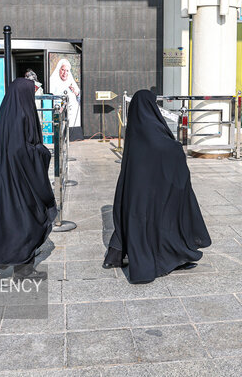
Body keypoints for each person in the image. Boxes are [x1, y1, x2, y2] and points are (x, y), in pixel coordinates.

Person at [102, 89, 211, 284]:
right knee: (169, 216)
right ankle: (172, 256)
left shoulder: (135, 128)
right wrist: (177, 149)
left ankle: (118, 253)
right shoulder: (154, 128)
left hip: (136, 193)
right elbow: (167, 151)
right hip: (158, 192)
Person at [0, 78, 57, 280]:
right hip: (19, 178)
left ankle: (24, 268)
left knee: (22, 221)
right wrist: (41, 152)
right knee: (20, 222)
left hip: (11, 176)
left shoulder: (9, 110)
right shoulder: (20, 113)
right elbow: (19, 150)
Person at [49, 59, 80, 128]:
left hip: (74, 118)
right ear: (59, 70)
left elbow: (80, 99)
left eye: (67, 71)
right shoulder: (52, 82)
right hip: (59, 115)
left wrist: (76, 93)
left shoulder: (71, 82)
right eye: (63, 70)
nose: (65, 73)